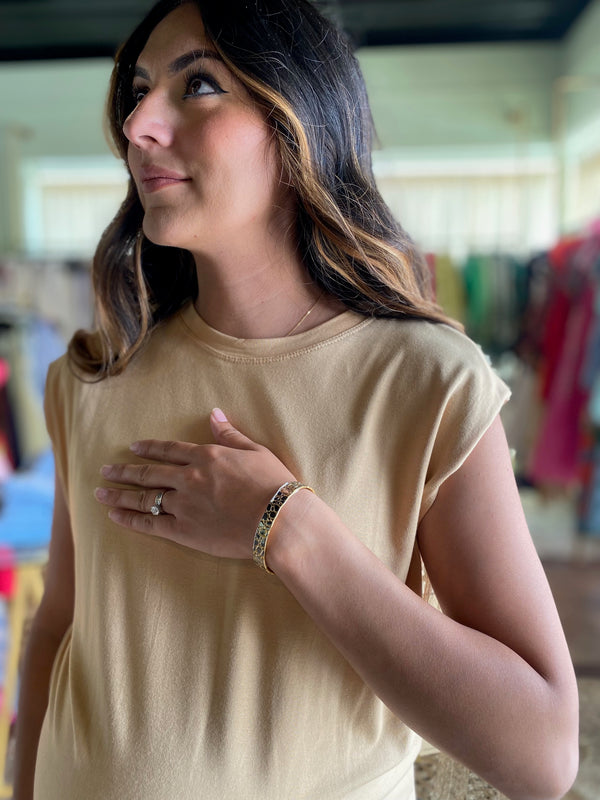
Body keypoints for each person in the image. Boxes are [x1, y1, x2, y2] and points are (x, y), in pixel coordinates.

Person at [13, 1, 579, 798]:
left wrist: (283, 525)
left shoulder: (426, 383)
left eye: (198, 85)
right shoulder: (91, 376)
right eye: (138, 92)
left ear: (298, 123)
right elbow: (57, 629)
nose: (138, 124)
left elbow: (542, 755)